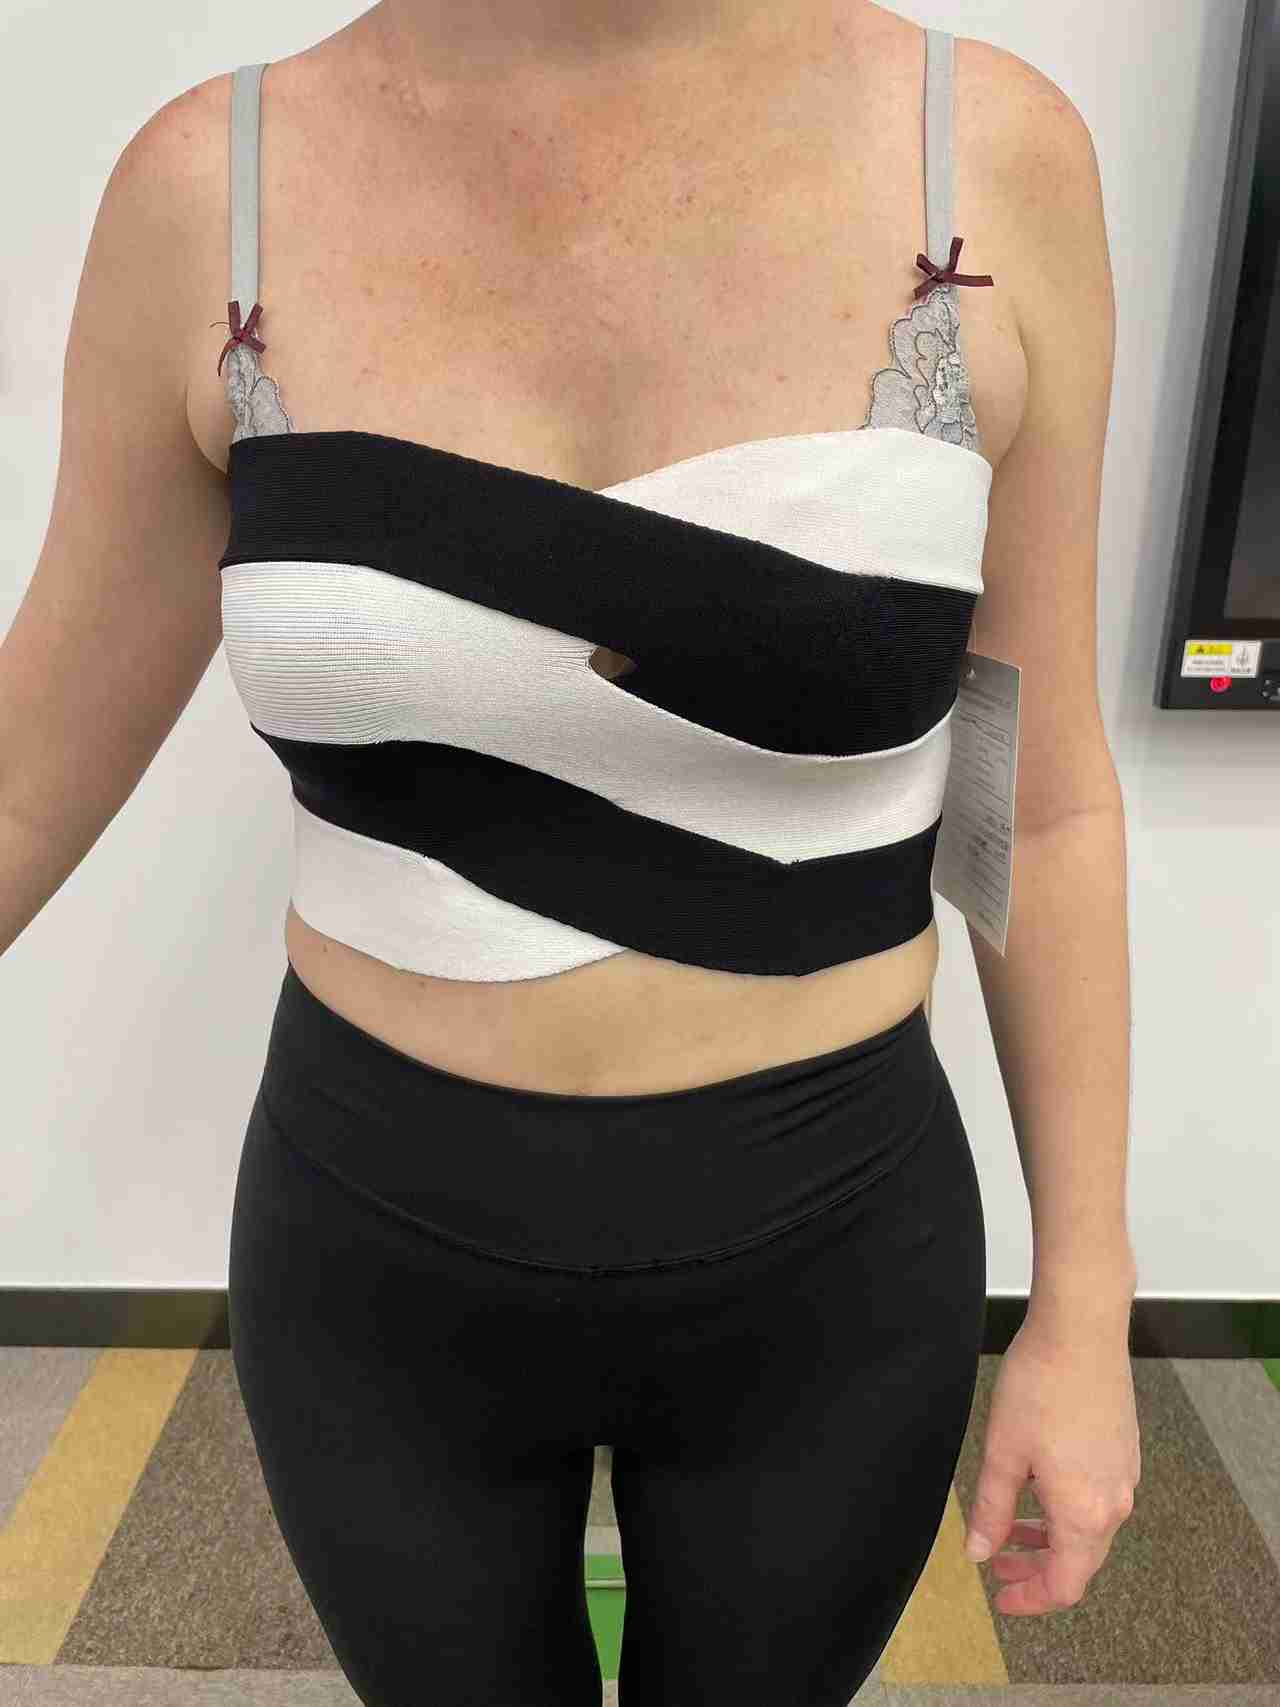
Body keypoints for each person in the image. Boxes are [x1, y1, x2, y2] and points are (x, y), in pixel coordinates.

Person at [2, 0, 1139, 1701]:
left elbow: (1040, 802)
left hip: (831, 1259)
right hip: (373, 1260)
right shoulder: (206, 189)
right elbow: (25, 779)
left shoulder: (985, 151)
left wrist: (1088, 1306)